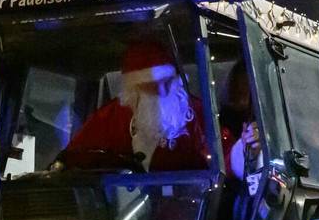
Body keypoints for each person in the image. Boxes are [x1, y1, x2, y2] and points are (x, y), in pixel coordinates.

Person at [58, 40, 217, 172]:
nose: (161, 91)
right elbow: (74, 159)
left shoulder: (199, 113)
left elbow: (223, 157)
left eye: (166, 81)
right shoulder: (110, 118)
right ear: (134, 90)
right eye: (151, 86)